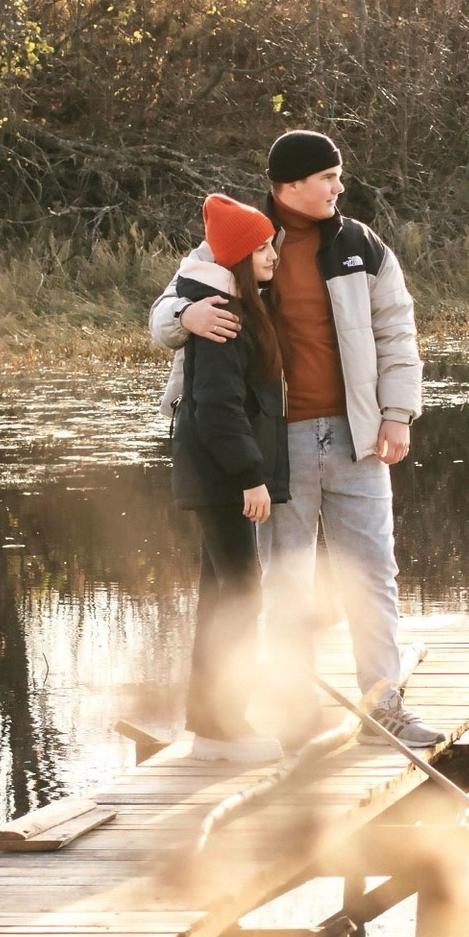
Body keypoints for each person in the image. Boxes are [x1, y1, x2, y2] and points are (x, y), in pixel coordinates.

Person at [152, 129, 444, 750]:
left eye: (338, 176)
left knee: (372, 572)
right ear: (290, 186)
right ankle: (294, 714)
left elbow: (398, 330)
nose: (340, 186)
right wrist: (185, 317)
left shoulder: (361, 246)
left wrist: (399, 413)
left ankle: (382, 711)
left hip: (356, 438)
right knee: (284, 584)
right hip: (274, 445)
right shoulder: (243, 238)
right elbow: (164, 310)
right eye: (328, 177)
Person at [169, 194, 289, 757]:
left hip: (219, 475)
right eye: (263, 248)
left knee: (223, 594)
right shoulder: (222, 316)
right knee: (240, 594)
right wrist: (249, 476)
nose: (273, 256)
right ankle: (224, 725)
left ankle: (213, 724)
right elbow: (216, 408)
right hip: (221, 477)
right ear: (240, 256)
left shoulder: (236, 304)